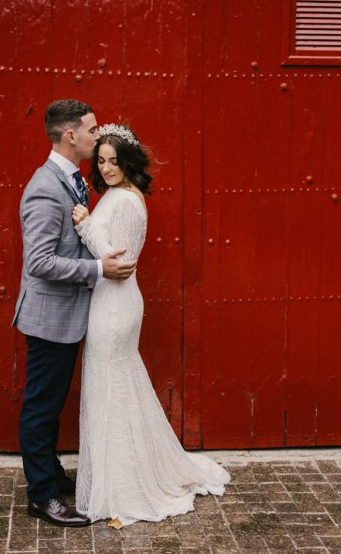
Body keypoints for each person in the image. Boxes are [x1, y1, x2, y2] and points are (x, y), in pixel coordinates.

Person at [71, 123, 231, 527]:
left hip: (115, 305)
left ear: (129, 162)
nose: (107, 168)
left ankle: (123, 486)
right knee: (116, 387)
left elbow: (120, 264)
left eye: (115, 161)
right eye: (102, 161)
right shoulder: (115, 195)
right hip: (108, 303)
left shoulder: (125, 201)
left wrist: (85, 226)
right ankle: (119, 473)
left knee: (111, 387)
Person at [12, 101, 137, 528]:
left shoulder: (73, 179)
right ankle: (41, 495)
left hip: (70, 315)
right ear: (71, 136)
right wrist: (99, 269)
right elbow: (41, 262)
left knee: (51, 402)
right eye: (91, 128)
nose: (96, 133)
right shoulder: (46, 187)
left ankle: (50, 473)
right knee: (42, 407)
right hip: (50, 317)